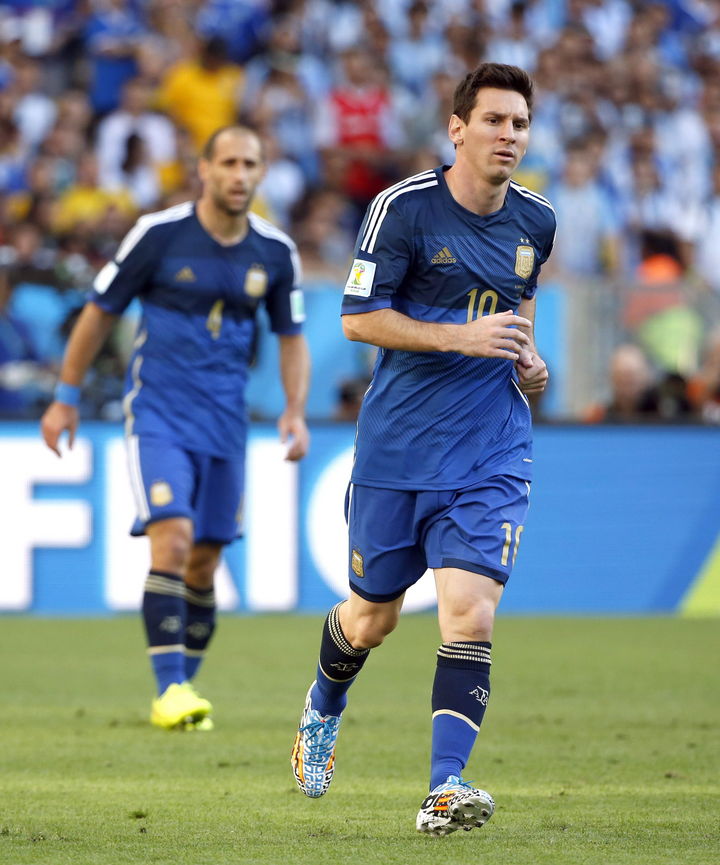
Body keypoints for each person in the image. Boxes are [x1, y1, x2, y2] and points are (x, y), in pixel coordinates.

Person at [291, 63, 555, 836]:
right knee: (371, 618)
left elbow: (518, 320)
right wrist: (459, 337)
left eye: (520, 123)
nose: (509, 135)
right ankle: (323, 704)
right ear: (457, 129)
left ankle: (445, 787)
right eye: (495, 120)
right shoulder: (401, 209)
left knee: (469, 614)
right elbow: (357, 318)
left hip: (491, 447)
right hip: (399, 450)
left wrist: (529, 363)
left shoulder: (537, 220)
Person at [41, 125, 310, 731]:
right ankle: (169, 692)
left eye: (250, 164)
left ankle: (183, 685)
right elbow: (99, 312)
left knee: (206, 561)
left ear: (262, 173)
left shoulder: (275, 252)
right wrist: (65, 397)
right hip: (159, 413)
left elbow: (291, 338)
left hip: (227, 422)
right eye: (229, 162)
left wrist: (294, 409)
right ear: (204, 169)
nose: (239, 175)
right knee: (174, 539)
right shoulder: (158, 235)